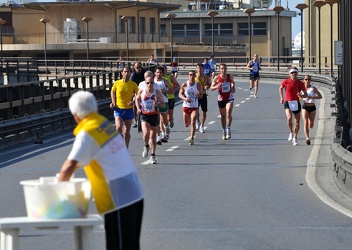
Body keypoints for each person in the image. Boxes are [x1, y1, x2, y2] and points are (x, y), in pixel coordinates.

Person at [58, 90, 144, 250]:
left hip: (119, 197)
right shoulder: (103, 124)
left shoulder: (87, 132)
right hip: (133, 191)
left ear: (76, 115)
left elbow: (69, 166)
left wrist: (56, 198)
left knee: (118, 246)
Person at [135, 76, 165, 164]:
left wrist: (158, 103)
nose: (149, 85)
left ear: (154, 83)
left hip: (154, 115)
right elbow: (136, 99)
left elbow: (163, 105)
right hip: (144, 115)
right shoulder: (142, 91)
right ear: (145, 83)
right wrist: (138, 108)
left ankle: (153, 155)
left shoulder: (157, 92)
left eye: (151, 83)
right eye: (148, 83)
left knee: (153, 137)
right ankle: (146, 146)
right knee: (146, 133)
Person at [110, 66, 138, 148]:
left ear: (130, 73)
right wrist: (113, 101)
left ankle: (126, 147)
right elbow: (112, 91)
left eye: (128, 72)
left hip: (128, 109)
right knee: (118, 128)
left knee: (126, 131)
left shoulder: (133, 84)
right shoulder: (117, 83)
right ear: (122, 72)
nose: (126, 73)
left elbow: (138, 95)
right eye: (125, 71)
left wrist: (133, 102)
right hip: (118, 108)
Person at [279, 66, 308, 146]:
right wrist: (281, 98)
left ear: (297, 73)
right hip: (288, 102)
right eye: (292, 73)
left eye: (295, 73)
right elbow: (280, 88)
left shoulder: (300, 83)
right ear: (289, 74)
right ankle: (291, 132)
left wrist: (301, 95)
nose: (294, 74)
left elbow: (306, 94)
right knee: (289, 118)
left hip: (296, 102)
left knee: (297, 122)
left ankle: (295, 137)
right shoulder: (286, 81)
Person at [210, 63, 236, 140]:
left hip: (229, 97)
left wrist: (233, 88)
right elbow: (211, 88)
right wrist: (216, 86)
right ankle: (224, 130)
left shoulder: (229, 76)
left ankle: (228, 129)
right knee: (223, 116)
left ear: (226, 69)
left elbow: (233, 83)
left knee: (228, 113)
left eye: (224, 68)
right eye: (221, 68)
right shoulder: (217, 78)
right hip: (221, 98)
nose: (223, 70)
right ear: (219, 69)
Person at [179, 70, 202, 145]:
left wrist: (199, 95)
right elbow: (180, 94)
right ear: (188, 76)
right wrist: (185, 99)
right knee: (186, 124)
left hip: (194, 106)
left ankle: (192, 138)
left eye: (193, 75)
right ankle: (191, 130)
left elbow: (201, 95)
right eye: (190, 75)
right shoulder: (185, 84)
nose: (192, 76)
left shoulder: (198, 85)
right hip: (186, 106)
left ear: (195, 76)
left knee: (193, 122)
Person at [154, 66, 174, 144]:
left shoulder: (165, 81)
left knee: (164, 119)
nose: (159, 74)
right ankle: (160, 136)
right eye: (157, 72)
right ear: (155, 73)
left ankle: (166, 126)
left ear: (162, 74)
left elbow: (172, 90)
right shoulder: (152, 82)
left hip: (164, 102)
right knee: (158, 120)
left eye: (160, 73)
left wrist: (165, 91)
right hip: (155, 102)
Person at [301, 75, 322, 145]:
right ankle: (307, 138)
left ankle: (311, 124)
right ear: (304, 80)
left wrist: (312, 97)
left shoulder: (313, 89)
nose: (307, 81)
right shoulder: (301, 88)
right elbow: (299, 97)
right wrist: (300, 97)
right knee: (305, 122)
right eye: (306, 79)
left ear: (310, 80)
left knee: (311, 124)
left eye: (309, 79)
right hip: (305, 106)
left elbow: (320, 96)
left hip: (312, 107)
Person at [195, 63, 211, 133]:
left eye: (201, 68)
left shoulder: (206, 77)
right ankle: (197, 121)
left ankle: (202, 125)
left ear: (203, 69)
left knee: (204, 112)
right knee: (196, 111)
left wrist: (207, 86)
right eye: (198, 68)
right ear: (196, 69)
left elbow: (209, 84)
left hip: (203, 95)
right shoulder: (194, 77)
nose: (199, 70)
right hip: (196, 96)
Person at [163, 64, 180, 131]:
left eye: (164, 69)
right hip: (162, 99)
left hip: (170, 98)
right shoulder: (157, 79)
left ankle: (171, 120)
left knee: (169, 116)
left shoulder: (170, 77)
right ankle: (164, 130)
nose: (163, 71)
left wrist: (174, 90)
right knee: (163, 116)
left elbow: (178, 86)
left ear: (166, 70)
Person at [130, 62, 147, 128]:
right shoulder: (133, 75)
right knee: (134, 102)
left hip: (145, 90)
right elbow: (131, 86)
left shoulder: (145, 72)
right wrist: (134, 95)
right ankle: (135, 120)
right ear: (134, 68)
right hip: (136, 90)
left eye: (140, 67)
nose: (139, 69)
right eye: (137, 67)